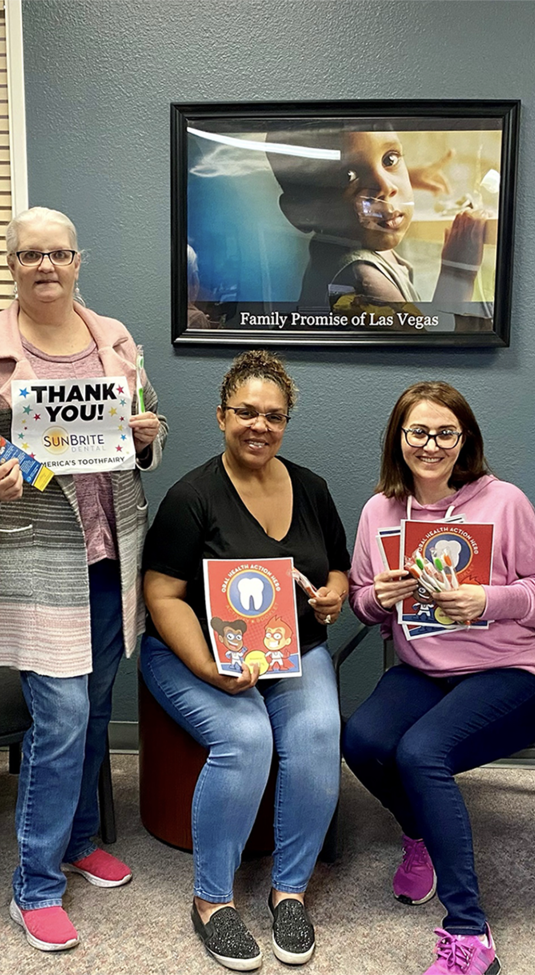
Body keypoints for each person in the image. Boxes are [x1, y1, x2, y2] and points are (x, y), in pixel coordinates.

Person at [0, 206, 165, 952]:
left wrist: (148, 434)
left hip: (110, 554)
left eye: (58, 253)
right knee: (58, 718)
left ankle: (79, 835)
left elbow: (143, 419)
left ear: (77, 261)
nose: (46, 267)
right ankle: (34, 883)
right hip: (34, 554)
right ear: (12, 265)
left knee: (94, 707)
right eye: (30, 254)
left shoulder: (115, 339)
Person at [343, 381, 535, 975]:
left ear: (464, 439)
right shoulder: (379, 511)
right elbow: (362, 604)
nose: (432, 444)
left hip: (508, 673)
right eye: (418, 432)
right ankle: (419, 838)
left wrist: (488, 600)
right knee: (361, 740)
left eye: (446, 432)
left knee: (420, 753)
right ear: (400, 440)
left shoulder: (505, 501)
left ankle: (470, 932)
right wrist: (379, 598)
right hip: (425, 670)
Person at [141, 350, 348, 971]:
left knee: (317, 731)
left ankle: (290, 892)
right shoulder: (192, 495)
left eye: (274, 416)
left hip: (291, 649)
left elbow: (335, 566)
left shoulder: (311, 488)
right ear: (221, 415)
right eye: (246, 413)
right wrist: (209, 668)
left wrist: (333, 595)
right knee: (246, 736)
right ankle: (212, 901)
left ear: (287, 422)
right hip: (193, 654)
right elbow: (161, 593)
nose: (260, 426)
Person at [267, 128, 489, 327]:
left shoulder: (339, 240)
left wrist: (408, 175)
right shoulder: (364, 282)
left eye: (389, 160)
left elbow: (338, 195)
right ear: (303, 214)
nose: (387, 186)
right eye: (348, 176)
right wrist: (458, 271)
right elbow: (428, 351)